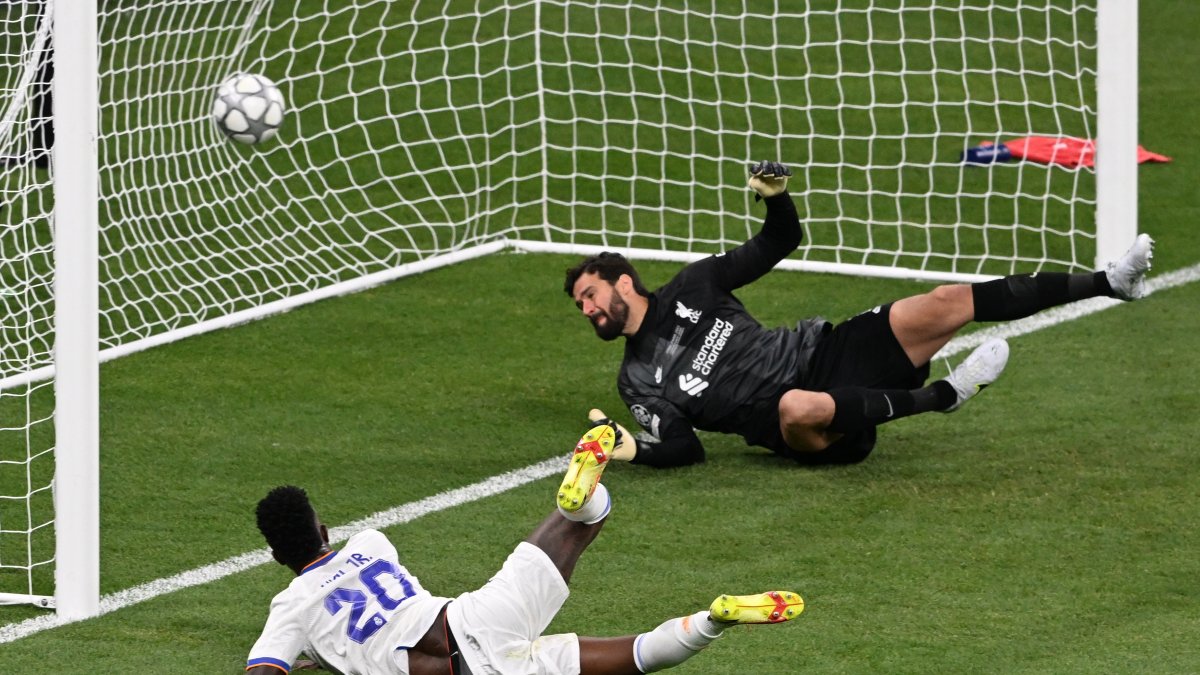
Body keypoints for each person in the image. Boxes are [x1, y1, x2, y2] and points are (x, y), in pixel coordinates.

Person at [564, 161, 1154, 467]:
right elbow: (686, 447)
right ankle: (945, 397)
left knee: (948, 299)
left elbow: (780, 240)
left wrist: (775, 197)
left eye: (591, 294)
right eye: (581, 306)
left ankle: (1109, 281)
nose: (587, 309)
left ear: (623, 281)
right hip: (803, 429)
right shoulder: (635, 380)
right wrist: (631, 448)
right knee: (797, 405)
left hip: (825, 352)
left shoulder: (696, 282)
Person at [245, 424, 803, 674]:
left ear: (277, 556)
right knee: (576, 523)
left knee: (637, 657)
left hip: (476, 671)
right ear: (324, 529)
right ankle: (582, 500)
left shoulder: (291, 609)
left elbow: (270, 668)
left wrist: (307, 655)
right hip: (475, 617)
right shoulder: (370, 544)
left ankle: (711, 622)